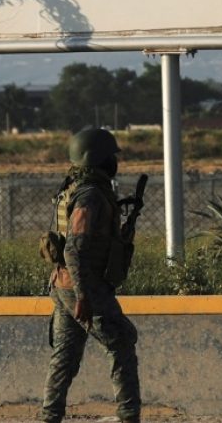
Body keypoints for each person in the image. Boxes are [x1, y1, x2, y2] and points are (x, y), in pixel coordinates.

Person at [41, 128, 140, 423]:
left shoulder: (73, 188)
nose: (114, 161)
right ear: (96, 159)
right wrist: (84, 296)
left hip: (63, 284)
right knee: (122, 342)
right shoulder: (91, 196)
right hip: (84, 287)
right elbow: (74, 249)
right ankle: (129, 416)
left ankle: (50, 416)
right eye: (109, 155)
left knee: (65, 356)